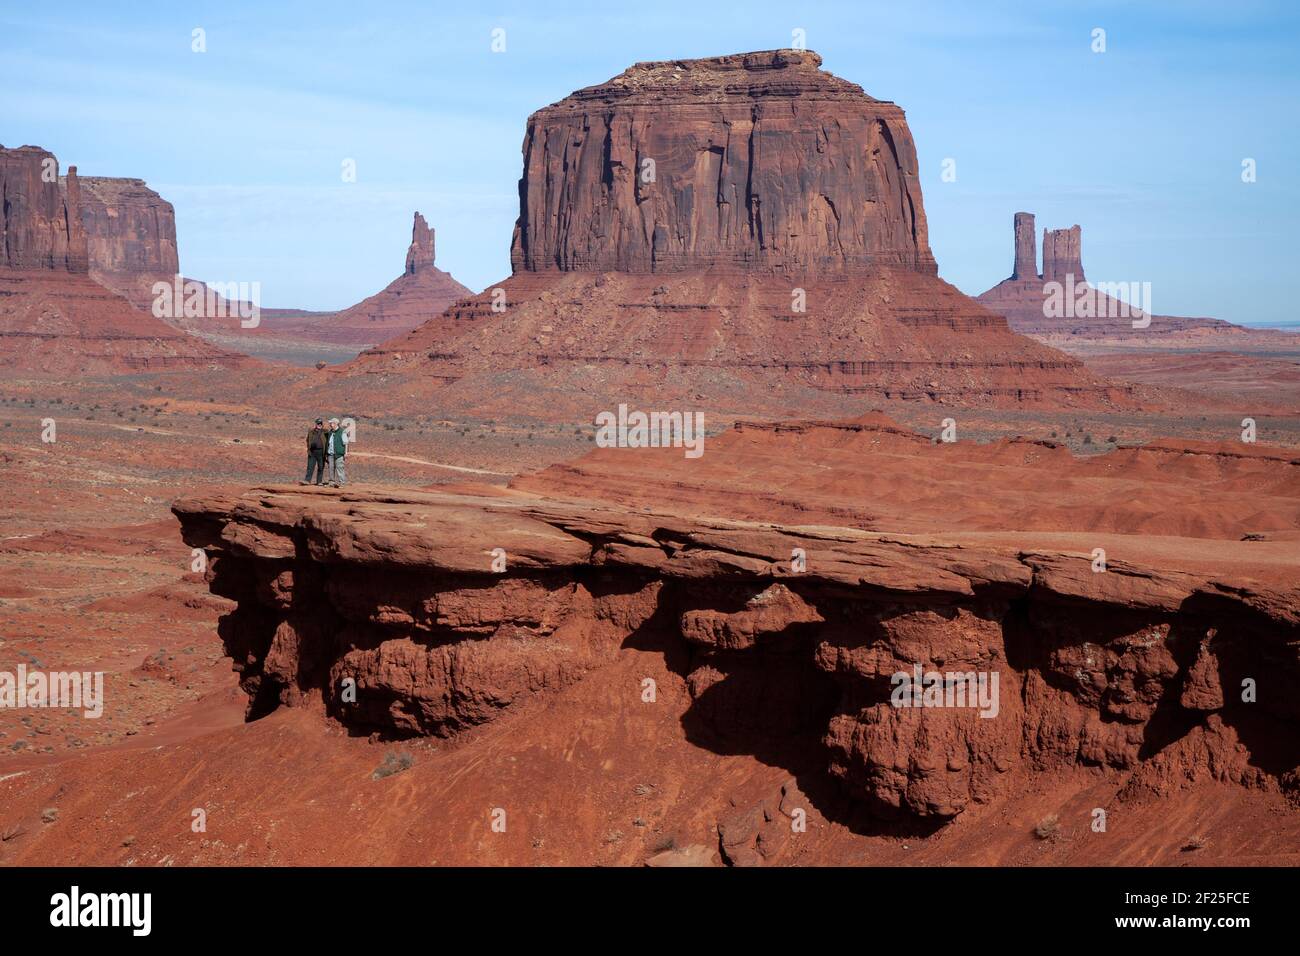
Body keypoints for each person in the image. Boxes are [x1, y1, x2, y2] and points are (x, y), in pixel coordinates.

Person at [303, 418, 327, 485]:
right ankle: (307, 481)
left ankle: (319, 481)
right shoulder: (311, 432)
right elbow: (307, 440)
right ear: (316, 424)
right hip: (312, 452)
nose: (319, 425)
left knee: (321, 467)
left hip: (321, 452)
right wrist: (309, 448)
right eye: (318, 423)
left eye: (320, 424)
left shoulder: (325, 432)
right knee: (310, 466)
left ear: (322, 424)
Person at [327, 417, 349, 487]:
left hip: (339, 454)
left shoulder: (342, 432)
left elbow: (346, 443)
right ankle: (331, 482)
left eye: (331, 423)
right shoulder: (330, 432)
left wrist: (345, 453)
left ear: (336, 423)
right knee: (331, 468)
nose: (330, 424)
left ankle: (342, 483)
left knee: (340, 468)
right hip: (330, 453)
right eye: (330, 423)